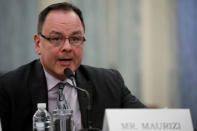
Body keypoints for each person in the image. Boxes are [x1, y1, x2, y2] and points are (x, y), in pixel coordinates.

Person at [0, 2, 146, 131]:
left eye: (75, 39)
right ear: (38, 44)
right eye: (56, 38)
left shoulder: (110, 83)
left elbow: (147, 122)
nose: (67, 47)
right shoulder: (9, 87)